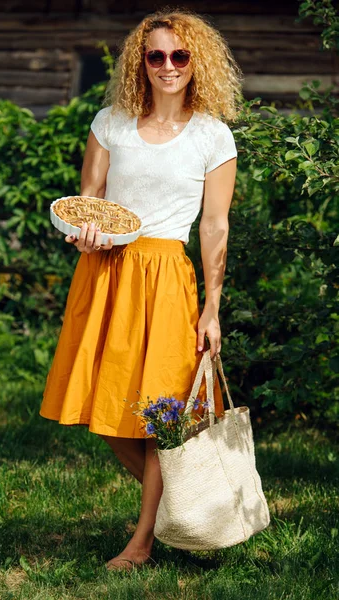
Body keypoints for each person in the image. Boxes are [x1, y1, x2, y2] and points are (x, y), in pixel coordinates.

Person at [40, 9, 242, 570]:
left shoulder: (212, 135)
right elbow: (89, 200)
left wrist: (213, 307)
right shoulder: (110, 121)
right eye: (157, 55)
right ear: (141, 62)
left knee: (161, 413)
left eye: (180, 55)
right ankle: (185, 504)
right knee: (104, 410)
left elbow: (215, 227)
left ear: (196, 61)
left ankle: (142, 543)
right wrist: (84, 238)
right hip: (107, 273)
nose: (169, 66)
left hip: (166, 277)